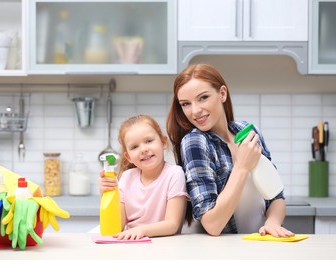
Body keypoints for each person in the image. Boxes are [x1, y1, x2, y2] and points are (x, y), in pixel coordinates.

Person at [166, 63, 294, 237]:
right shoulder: (195, 142)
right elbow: (212, 224)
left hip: (263, 243)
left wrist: (272, 223)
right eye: (186, 104)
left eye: (203, 97)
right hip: (226, 250)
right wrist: (241, 166)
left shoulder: (248, 131)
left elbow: (276, 196)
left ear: (222, 93)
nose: (195, 111)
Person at [99, 114, 189, 240]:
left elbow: (172, 225)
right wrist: (106, 194)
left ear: (163, 142)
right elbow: (117, 226)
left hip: (164, 246)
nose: (143, 149)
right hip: (131, 245)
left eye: (149, 141)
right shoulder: (126, 178)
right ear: (128, 157)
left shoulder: (174, 174)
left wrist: (141, 230)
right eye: (134, 147)